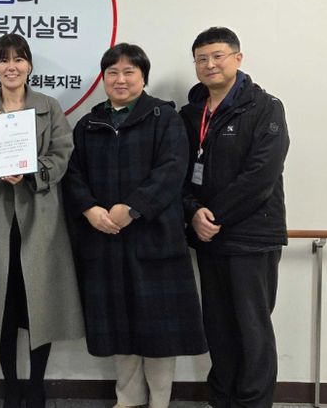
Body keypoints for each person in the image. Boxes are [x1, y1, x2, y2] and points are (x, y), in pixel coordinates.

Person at [64, 43, 208, 408]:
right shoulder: (88, 124)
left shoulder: (164, 118)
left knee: (160, 331)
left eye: (129, 72)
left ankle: (159, 401)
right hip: (105, 240)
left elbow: (172, 171)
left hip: (155, 239)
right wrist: (89, 209)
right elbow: (73, 175)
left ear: (143, 77)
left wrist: (133, 208)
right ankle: (127, 398)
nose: (120, 79)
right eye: (112, 72)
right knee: (117, 325)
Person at [0, 33, 84, 408]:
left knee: (39, 307)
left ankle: (36, 386)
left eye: (18, 59)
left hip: (41, 223)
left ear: (30, 65)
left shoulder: (49, 107)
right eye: (3, 60)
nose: (11, 66)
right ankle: (12, 387)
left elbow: (62, 155)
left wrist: (29, 171)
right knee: (1, 307)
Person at [180, 27, 289, 408]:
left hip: (252, 237)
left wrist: (214, 216)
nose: (209, 64)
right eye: (202, 58)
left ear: (237, 59)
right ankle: (222, 399)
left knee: (252, 328)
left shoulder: (265, 107)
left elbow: (261, 174)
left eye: (218, 56)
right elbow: (179, 173)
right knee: (219, 327)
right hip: (209, 238)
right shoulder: (191, 114)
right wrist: (193, 213)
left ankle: (254, 403)